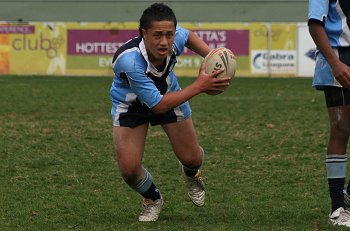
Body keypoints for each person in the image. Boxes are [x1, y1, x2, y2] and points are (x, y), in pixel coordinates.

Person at [109, 3, 231, 222]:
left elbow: (189, 36)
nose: (164, 42)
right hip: (131, 107)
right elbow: (157, 106)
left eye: (169, 34)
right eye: (157, 35)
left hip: (169, 95)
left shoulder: (176, 38)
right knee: (129, 170)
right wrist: (200, 85)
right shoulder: (130, 61)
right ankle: (152, 198)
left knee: (192, 158)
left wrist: (212, 56)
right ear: (143, 33)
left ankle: (192, 173)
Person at [308, 0, 350, 227]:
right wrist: (334, 63)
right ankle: (337, 208)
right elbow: (315, 23)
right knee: (341, 129)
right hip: (339, 56)